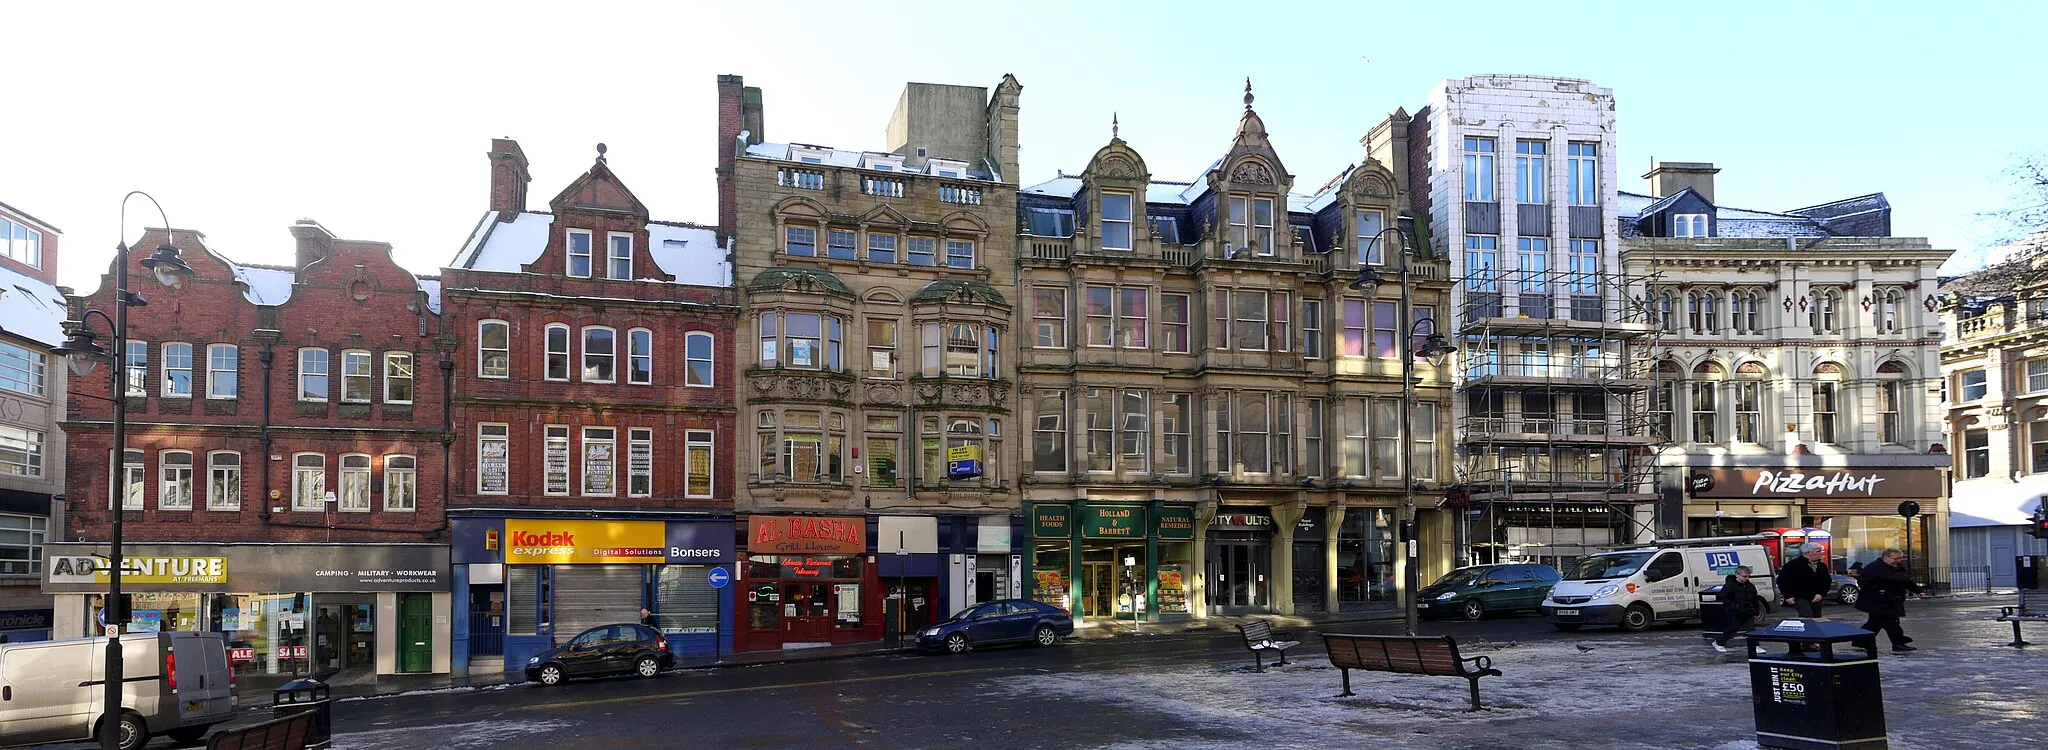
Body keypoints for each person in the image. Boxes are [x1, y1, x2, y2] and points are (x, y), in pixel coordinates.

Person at [1855, 548, 1926, 653]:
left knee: (1874, 623)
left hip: (1893, 600)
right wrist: (1879, 591)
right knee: (1892, 622)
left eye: (1900, 558)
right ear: (1886, 557)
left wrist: (1918, 590)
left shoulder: (1898, 568)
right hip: (1877, 601)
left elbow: (1907, 581)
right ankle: (1898, 644)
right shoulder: (1874, 567)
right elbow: (1864, 582)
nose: (1898, 561)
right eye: (1895, 558)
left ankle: (1861, 640)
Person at [1713, 566, 1763, 653]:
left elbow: (1754, 599)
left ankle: (1756, 646)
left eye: (1748, 576)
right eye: (1744, 576)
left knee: (1751, 629)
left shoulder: (1750, 586)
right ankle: (1719, 642)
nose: (1746, 578)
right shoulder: (1730, 585)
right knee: (1733, 628)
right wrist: (1734, 606)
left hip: (1747, 611)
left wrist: (1756, 612)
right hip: (1736, 611)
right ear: (1737, 575)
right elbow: (1724, 597)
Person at [1778, 544, 1831, 619]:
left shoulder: (1821, 566)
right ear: (1809, 552)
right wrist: (1788, 595)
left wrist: (1821, 594)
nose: (1821, 553)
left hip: (1816, 596)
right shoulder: (1793, 565)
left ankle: (1814, 631)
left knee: (1817, 618)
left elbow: (1826, 581)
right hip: (1799, 596)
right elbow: (1782, 581)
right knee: (1807, 616)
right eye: (1818, 551)